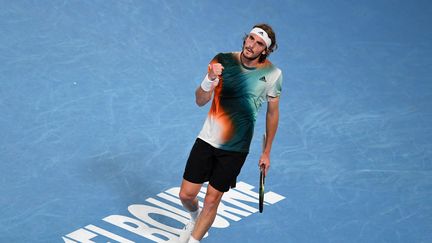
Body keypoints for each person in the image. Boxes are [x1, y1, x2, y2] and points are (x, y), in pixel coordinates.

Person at [178, 23, 282, 243]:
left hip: (236, 147)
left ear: (265, 50)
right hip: (207, 139)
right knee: (186, 195)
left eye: (259, 43)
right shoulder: (222, 60)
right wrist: (209, 79)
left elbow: (272, 114)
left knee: (212, 200)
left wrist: (267, 152)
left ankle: (194, 239)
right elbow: (200, 100)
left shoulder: (273, 74)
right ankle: (195, 219)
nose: (251, 45)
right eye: (251, 38)